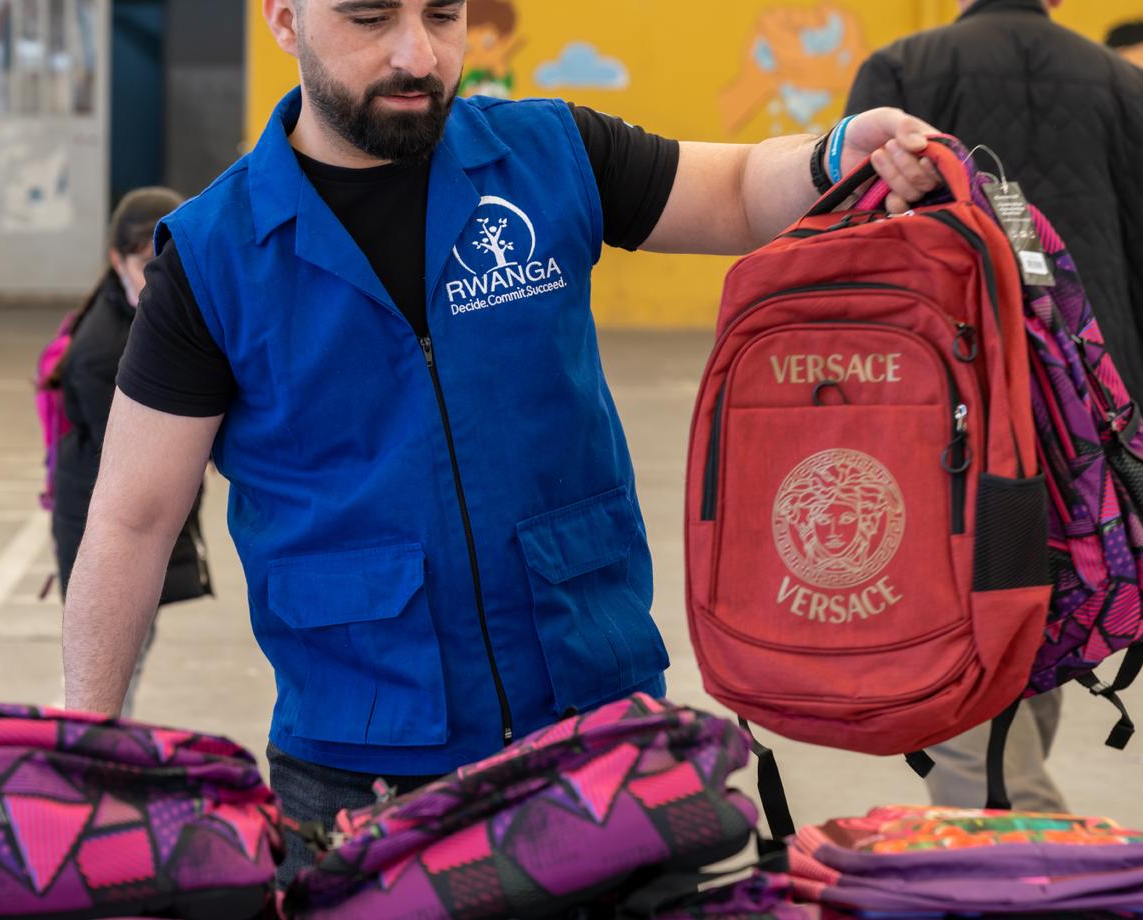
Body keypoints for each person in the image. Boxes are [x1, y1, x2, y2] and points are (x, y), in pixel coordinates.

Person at [62, 0, 937, 883]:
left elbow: (739, 188)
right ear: (285, 20)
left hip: (599, 734)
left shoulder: (549, 155)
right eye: (370, 18)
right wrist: (85, 768)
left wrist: (831, 156)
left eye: (442, 15)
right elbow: (132, 522)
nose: (417, 54)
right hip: (362, 780)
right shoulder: (212, 257)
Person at [846, 0, 1143, 813]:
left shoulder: (903, 70)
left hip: (952, 407)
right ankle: (1007, 820)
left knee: (966, 620)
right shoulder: (1135, 90)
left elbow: (856, 243)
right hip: (1096, 407)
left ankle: (1015, 843)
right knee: (1049, 610)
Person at [50, 187, 211, 718]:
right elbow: (145, 466)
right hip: (104, 528)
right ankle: (93, 754)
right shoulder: (103, 352)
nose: (161, 274)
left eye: (170, 258)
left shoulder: (144, 316)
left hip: (121, 514)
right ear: (117, 260)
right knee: (114, 671)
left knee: (134, 651)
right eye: (146, 263)